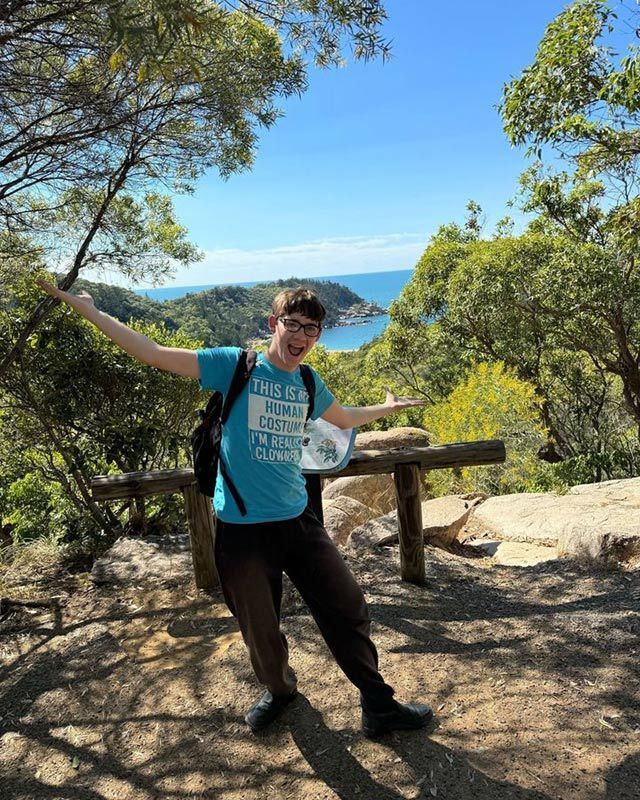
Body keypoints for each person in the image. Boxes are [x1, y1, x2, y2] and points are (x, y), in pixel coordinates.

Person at [38, 280, 433, 738]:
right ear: (274, 324)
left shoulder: (308, 381)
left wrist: (384, 409)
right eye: (293, 324)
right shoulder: (236, 366)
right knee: (259, 629)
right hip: (242, 530)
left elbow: (342, 418)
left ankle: (378, 705)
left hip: (299, 521)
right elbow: (151, 352)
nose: (301, 336)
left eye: (312, 328)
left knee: (347, 607)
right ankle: (281, 691)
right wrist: (90, 310)